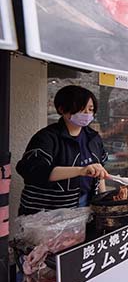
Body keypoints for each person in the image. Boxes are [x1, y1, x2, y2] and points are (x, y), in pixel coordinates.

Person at [16, 85, 109, 215]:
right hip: (48, 211)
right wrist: (80, 170)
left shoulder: (93, 137)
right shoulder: (46, 137)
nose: (87, 114)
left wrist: (103, 201)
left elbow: (100, 172)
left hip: (87, 202)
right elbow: (33, 171)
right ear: (62, 109)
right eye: (81, 109)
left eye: (90, 109)